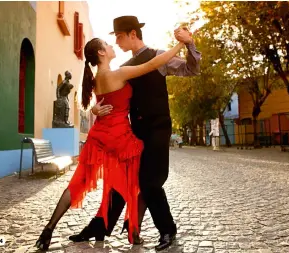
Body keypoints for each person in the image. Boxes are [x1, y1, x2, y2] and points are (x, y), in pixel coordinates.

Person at [35, 37, 185, 251]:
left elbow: (99, 104)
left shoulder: (95, 79)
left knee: (77, 184)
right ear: (101, 53)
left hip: (98, 137)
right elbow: (152, 64)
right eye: (107, 44)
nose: (112, 45)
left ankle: (48, 229)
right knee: (140, 181)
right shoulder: (119, 74)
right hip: (121, 140)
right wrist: (180, 45)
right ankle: (134, 231)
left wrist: (94, 110)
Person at [71, 16, 201, 251]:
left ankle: (167, 230)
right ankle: (100, 226)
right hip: (135, 130)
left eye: (119, 36)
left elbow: (192, 69)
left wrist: (189, 44)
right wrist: (95, 109)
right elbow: (108, 98)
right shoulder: (124, 68)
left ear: (133, 34)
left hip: (159, 126)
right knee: (124, 181)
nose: (117, 42)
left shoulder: (158, 56)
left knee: (151, 181)